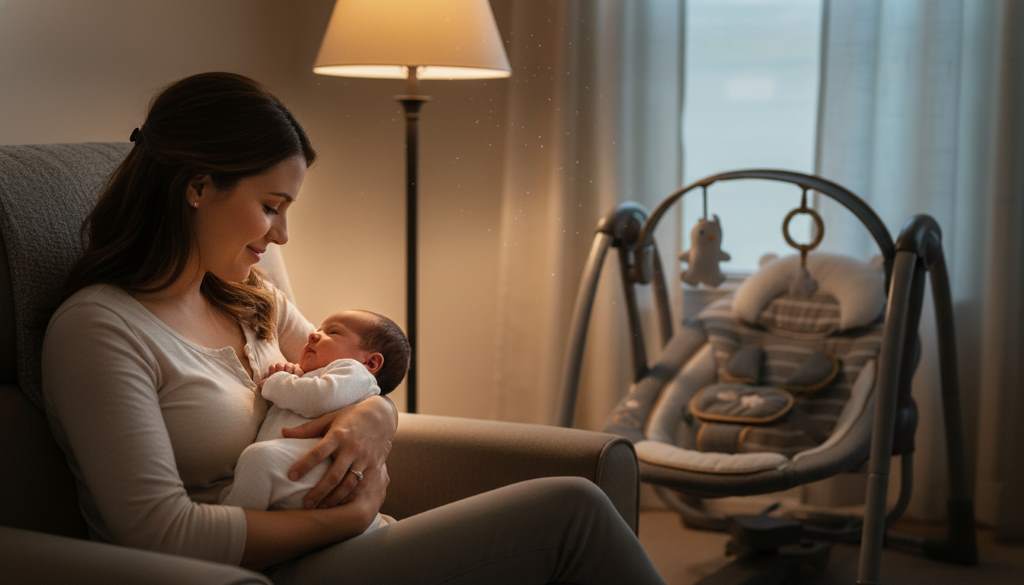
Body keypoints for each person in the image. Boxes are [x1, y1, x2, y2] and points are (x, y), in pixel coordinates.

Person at [40, 71, 666, 584]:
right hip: (254, 570)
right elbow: (159, 532)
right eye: (270, 208)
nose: (281, 236)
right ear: (198, 187)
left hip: (332, 548)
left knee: (571, 509)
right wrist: (348, 517)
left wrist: (375, 417)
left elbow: (354, 380)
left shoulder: (251, 299)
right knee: (571, 510)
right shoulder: (101, 330)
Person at [220, 310, 409, 535]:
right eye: (318, 328)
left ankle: (228, 527)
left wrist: (277, 381)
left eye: (333, 332)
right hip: (301, 474)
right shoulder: (318, 374)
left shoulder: (354, 372)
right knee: (259, 461)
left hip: (323, 467)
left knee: (259, 459)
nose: (313, 335)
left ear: (371, 362)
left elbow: (319, 397)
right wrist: (294, 373)